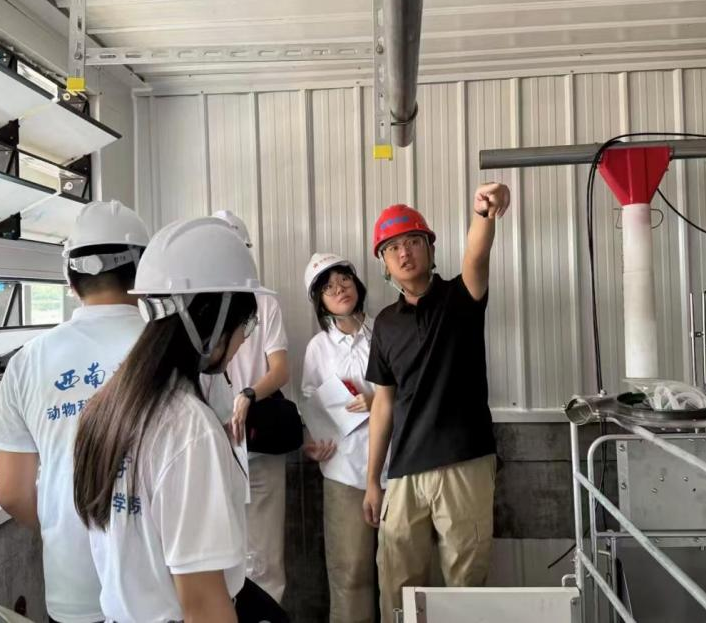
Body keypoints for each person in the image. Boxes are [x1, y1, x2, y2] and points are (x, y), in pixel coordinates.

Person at [73, 216, 285, 623]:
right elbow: (203, 605)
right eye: (245, 323)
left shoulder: (105, 408)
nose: (244, 339)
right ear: (212, 319)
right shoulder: (188, 428)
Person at [0, 200, 150, 623]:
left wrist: (63, 529)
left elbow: (11, 493)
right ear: (144, 272)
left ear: (70, 277)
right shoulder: (172, 352)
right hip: (161, 588)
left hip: (72, 588)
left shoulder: (28, 361)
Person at [362, 184, 511, 622]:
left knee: (465, 585)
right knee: (396, 584)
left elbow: (477, 256)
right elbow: (383, 405)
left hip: (465, 462)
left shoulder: (461, 297)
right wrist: (373, 480)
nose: (403, 253)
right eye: (392, 248)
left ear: (430, 248)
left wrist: (483, 213)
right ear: (385, 263)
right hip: (405, 470)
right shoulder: (385, 325)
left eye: (412, 241)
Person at [300, 253, 386, 623]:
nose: (339, 290)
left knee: (402, 571)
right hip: (343, 472)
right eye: (328, 288)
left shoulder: (385, 331)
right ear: (320, 301)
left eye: (344, 280)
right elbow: (309, 401)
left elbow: (411, 388)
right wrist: (313, 442)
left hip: (395, 468)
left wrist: (377, 400)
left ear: (357, 284)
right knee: (349, 573)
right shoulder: (318, 348)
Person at [212, 210, 291, 604]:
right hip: (214, 443)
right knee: (221, 553)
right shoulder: (199, 303)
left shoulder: (264, 302)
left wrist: (247, 394)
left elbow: (280, 370)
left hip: (256, 441)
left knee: (265, 556)